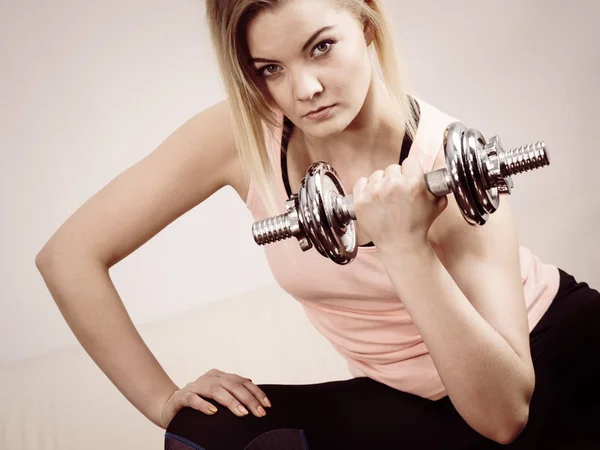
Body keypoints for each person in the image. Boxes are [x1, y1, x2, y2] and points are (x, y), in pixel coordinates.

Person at [35, 0, 600, 449]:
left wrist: (406, 247)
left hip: (537, 368)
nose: (303, 90)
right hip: (405, 405)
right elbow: (68, 257)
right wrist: (162, 399)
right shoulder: (243, 135)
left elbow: (504, 417)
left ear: (368, 21)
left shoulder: (452, 163)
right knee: (204, 435)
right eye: (271, 69)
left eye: (322, 47)